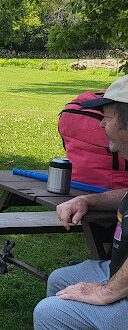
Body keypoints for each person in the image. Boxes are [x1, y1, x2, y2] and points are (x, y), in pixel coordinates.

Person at [34, 74, 128, 329]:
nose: (100, 126)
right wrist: (89, 200)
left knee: (51, 312)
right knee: (60, 280)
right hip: (118, 266)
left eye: (107, 119)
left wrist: (107, 292)